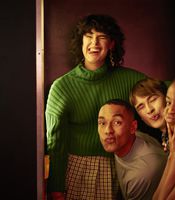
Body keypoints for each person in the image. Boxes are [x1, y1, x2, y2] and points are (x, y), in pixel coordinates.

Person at [45, 14, 147, 199]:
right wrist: (56, 187)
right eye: (89, 36)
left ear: (111, 44)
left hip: (123, 166)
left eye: (101, 37)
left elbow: (163, 89)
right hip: (79, 171)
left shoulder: (129, 79)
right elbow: (56, 144)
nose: (95, 43)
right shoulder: (61, 87)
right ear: (81, 41)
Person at [98, 99, 167, 200]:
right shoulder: (126, 139)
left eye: (117, 122)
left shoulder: (143, 172)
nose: (108, 130)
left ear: (133, 127)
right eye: (102, 123)